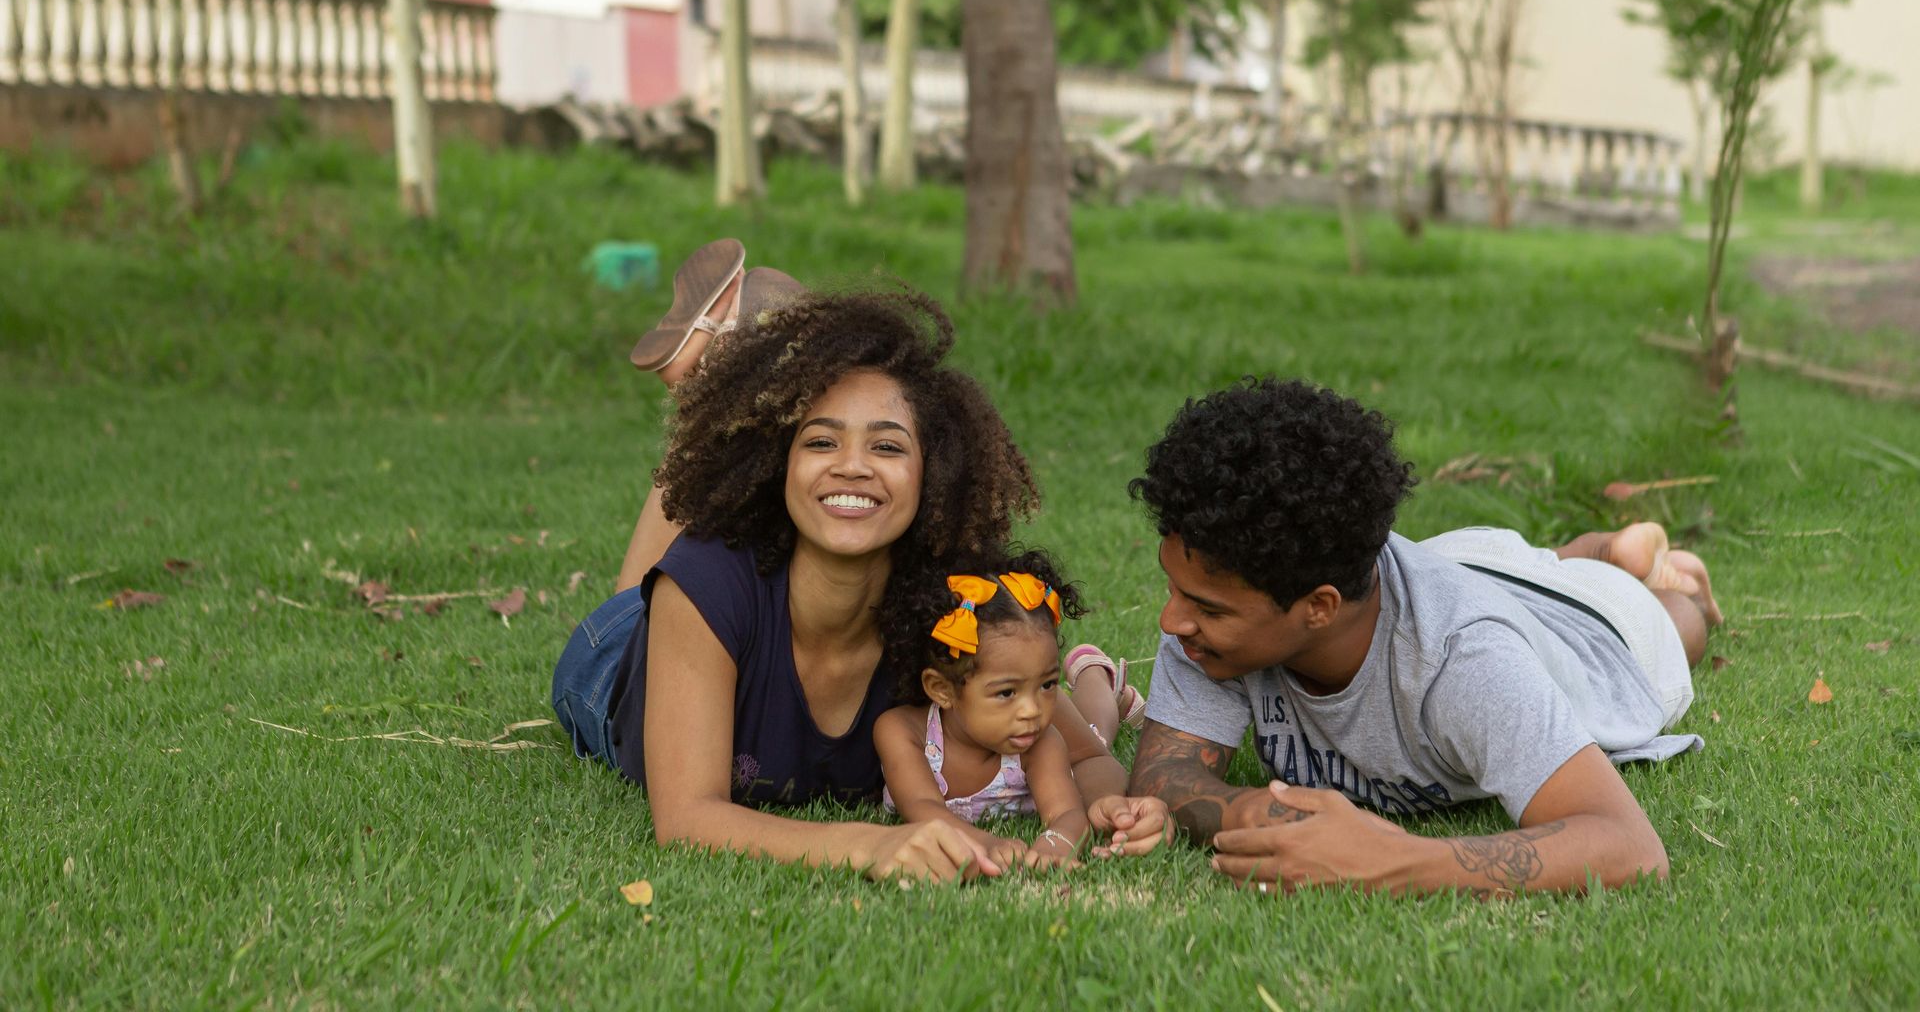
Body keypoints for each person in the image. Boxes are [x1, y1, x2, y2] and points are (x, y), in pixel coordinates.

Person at [553, 249, 1161, 881]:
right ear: (778, 464)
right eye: (820, 440)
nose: (852, 465)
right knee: (642, 595)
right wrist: (869, 845)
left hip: (709, 600)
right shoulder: (705, 583)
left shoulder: (952, 604)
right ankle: (703, 401)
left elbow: (1090, 759)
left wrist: (1113, 812)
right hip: (614, 660)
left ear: (934, 470)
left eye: (888, 446)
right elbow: (686, 819)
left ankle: (730, 362)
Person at [1100, 377, 1724, 897]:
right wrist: (1240, 810)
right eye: (1174, 591)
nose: (1170, 621)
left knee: (1678, 624)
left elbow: (1630, 847)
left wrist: (1392, 860)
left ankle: (1639, 568)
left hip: (1595, 627)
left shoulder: (1465, 660)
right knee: (1500, 575)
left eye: (1203, 606)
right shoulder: (1214, 623)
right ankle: (1581, 552)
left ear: (1317, 608)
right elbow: (1163, 772)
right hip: (1456, 562)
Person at [876, 548, 1171, 870]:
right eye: (1006, 692)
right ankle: (1096, 677)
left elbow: (1067, 814)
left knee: (1094, 738)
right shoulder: (904, 732)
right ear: (942, 689)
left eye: (1047, 684)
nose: (1032, 710)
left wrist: (1057, 843)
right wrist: (987, 845)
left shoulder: (1040, 740)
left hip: (1077, 739)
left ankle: (1096, 677)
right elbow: (922, 807)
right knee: (1092, 728)